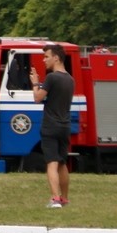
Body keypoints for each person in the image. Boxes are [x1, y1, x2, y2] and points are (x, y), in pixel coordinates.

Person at [33, 43, 74, 208]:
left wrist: (35, 83)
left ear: (56, 58)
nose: (44, 60)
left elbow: (37, 98)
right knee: (62, 163)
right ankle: (64, 199)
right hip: (65, 126)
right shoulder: (70, 79)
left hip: (50, 125)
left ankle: (55, 199)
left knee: (52, 163)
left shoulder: (52, 78)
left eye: (46, 57)